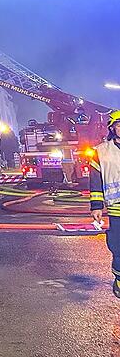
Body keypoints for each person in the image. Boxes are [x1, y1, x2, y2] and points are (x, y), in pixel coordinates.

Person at [90, 110, 120, 298]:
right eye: (119, 125)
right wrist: (96, 206)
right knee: (118, 247)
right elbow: (95, 181)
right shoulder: (101, 151)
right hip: (116, 210)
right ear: (112, 128)